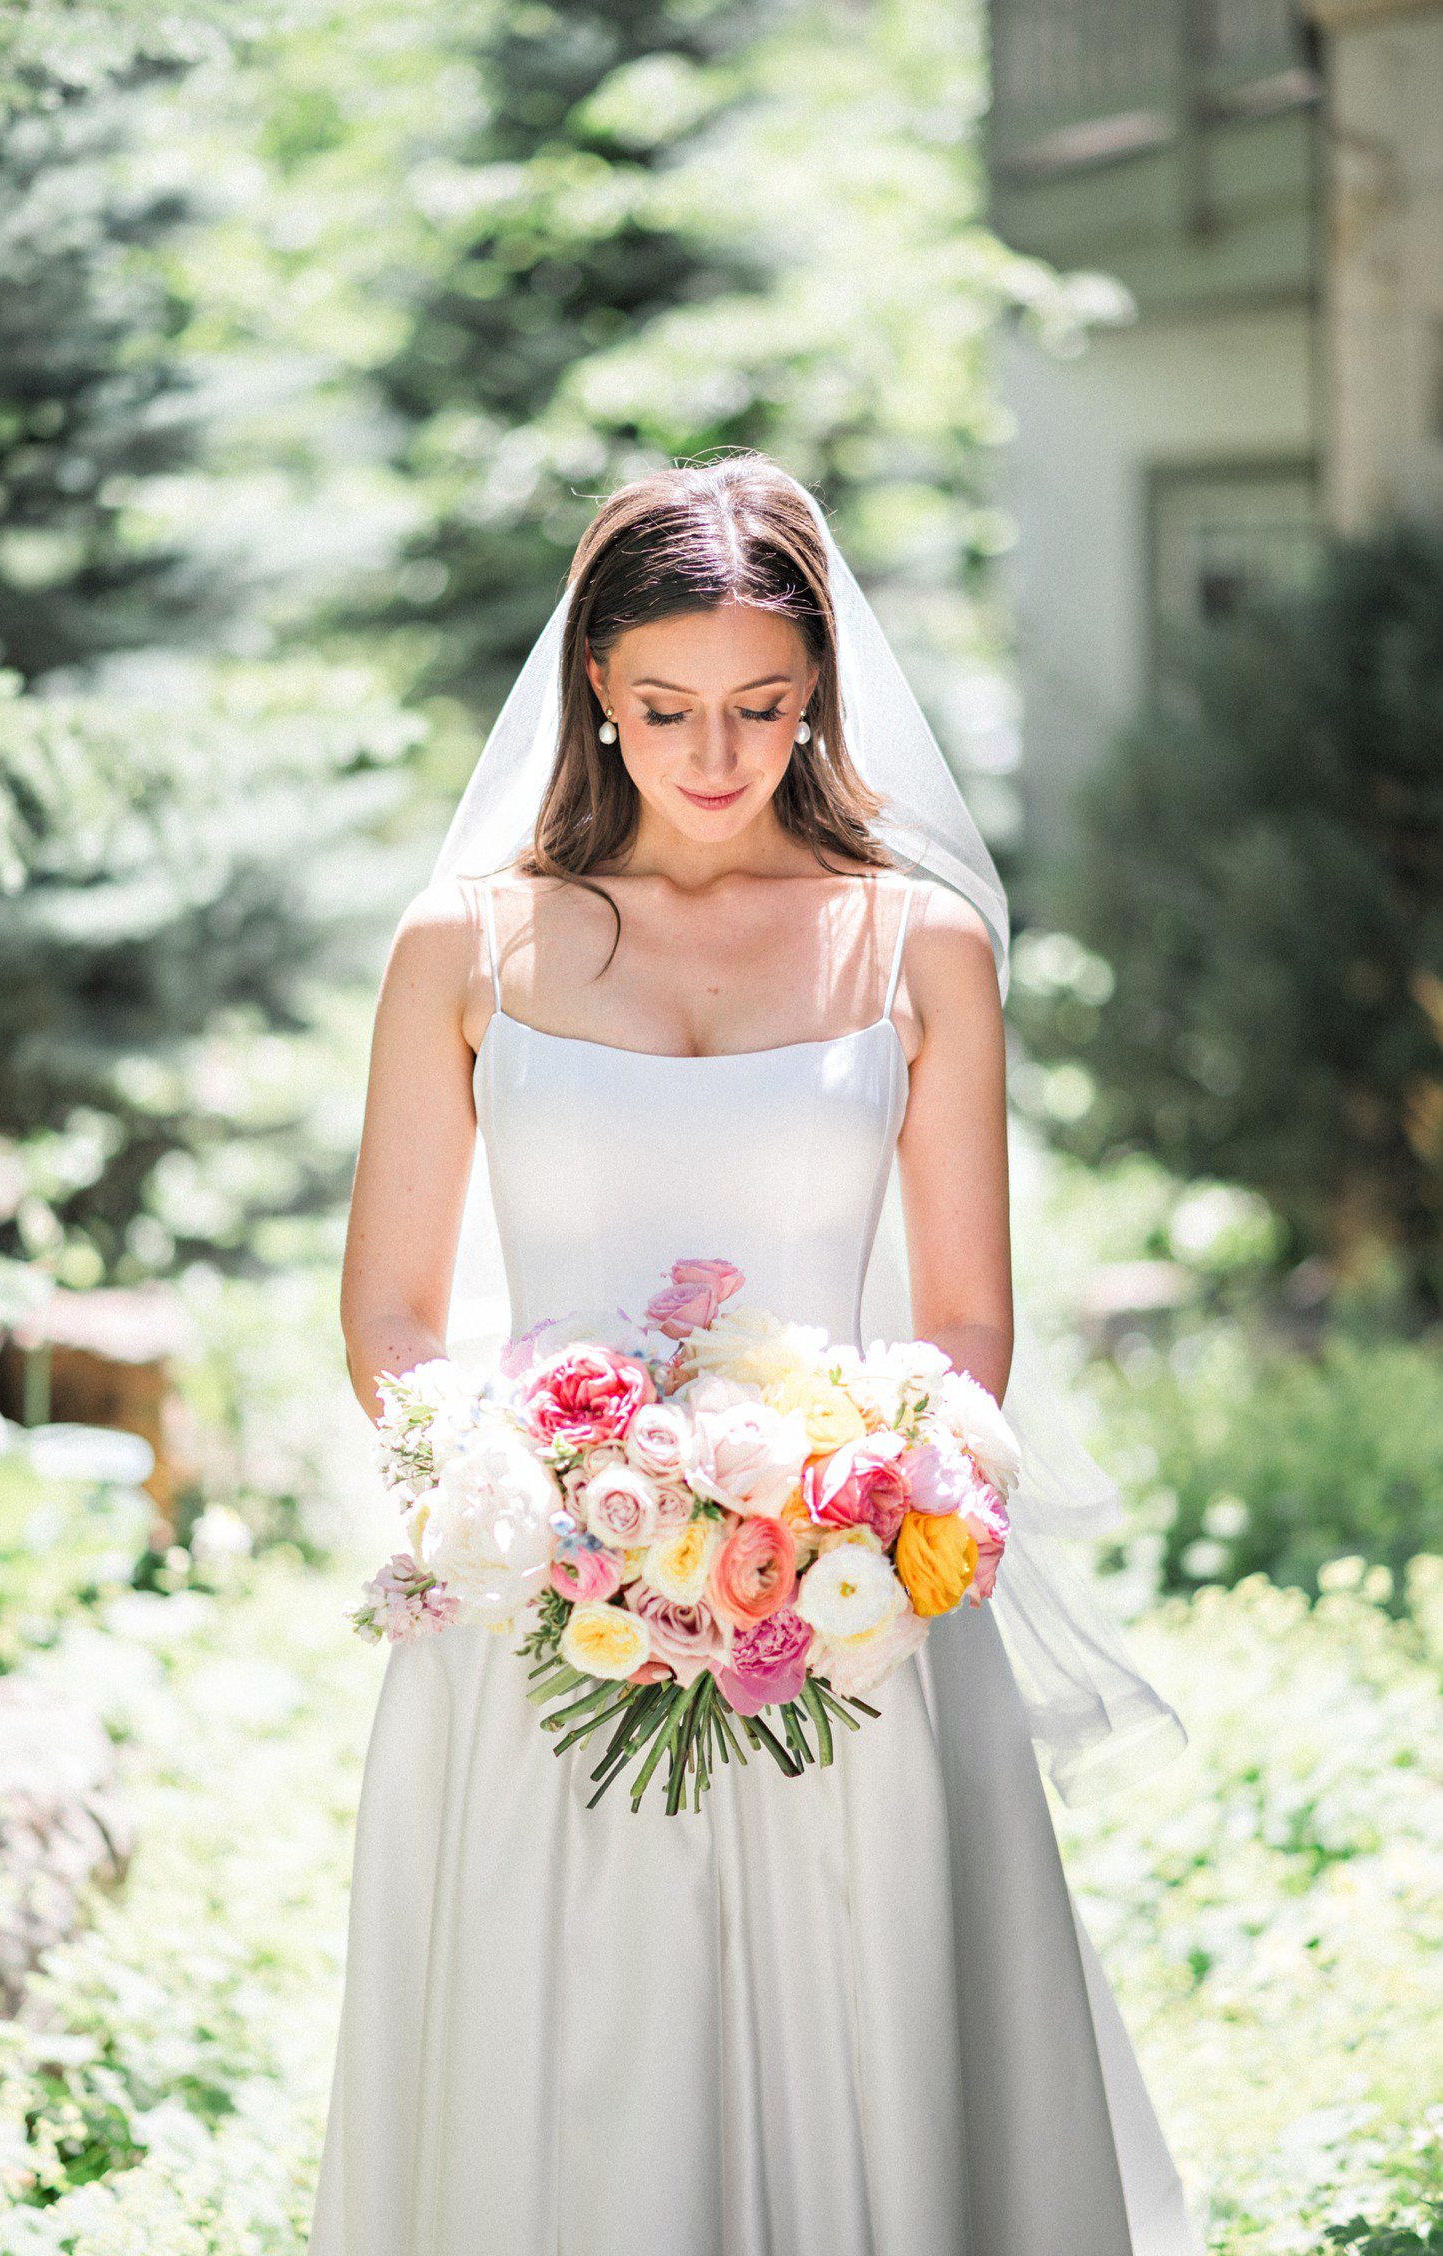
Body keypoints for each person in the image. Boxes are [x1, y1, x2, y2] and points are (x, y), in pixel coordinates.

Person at [310, 452, 1202, 2255]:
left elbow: (966, 1320)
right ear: (595, 689)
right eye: (666, 708)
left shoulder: (916, 944)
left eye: (762, 706)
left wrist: (839, 1508)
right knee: (570, 2067)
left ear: (819, 694)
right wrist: (536, 1505)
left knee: (871, 2052)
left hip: (850, 1609)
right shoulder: (467, 944)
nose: (715, 755)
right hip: (548, 1613)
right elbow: (391, 1313)